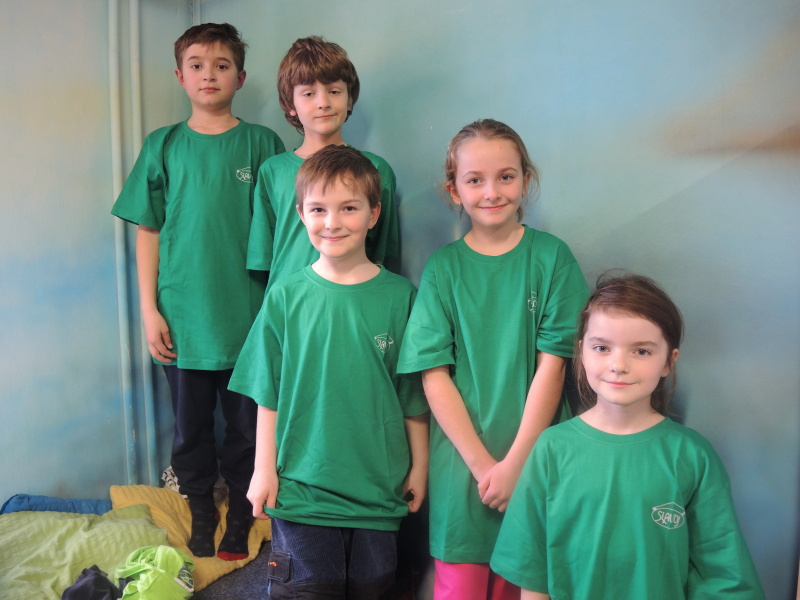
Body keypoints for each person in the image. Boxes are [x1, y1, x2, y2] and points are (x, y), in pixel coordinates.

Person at [111, 23, 285, 561]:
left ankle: (241, 514)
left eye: (221, 65)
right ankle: (201, 509)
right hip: (181, 316)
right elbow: (148, 231)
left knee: (246, 427)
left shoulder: (262, 144)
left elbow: (284, 230)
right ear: (180, 75)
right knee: (190, 429)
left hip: (247, 317)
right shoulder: (162, 144)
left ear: (240, 77)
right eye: (197, 65)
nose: (209, 74)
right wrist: (149, 310)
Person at [397, 119, 589, 600]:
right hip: (462, 467)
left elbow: (553, 366)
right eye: (474, 179)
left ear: (526, 180)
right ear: (454, 191)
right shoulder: (443, 269)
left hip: (535, 462)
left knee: (523, 586)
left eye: (505, 176)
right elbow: (433, 376)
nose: (491, 191)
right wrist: (485, 467)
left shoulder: (552, 259)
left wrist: (517, 462)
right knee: (460, 586)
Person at [229, 145, 429, 599]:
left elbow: (412, 396)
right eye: (319, 209)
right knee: (308, 591)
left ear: (374, 214)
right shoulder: (284, 297)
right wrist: (263, 470)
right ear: (301, 213)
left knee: (372, 589)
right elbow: (267, 392)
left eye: (349, 208)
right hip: (302, 491)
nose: (332, 222)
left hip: (377, 491)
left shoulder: (401, 298)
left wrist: (420, 467)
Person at [491, 273, 766, 599]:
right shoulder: (552, 449)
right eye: (602, 347)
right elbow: (532, 572)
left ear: (669, 361)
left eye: (642, 352)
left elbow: (723, 576)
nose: (618, 365)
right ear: (581, 352)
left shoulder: (692, 456)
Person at [246, 36, 398, 287]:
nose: (323, 103)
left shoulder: (376, 170)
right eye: (308, 93)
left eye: (334, 91)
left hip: (351, 300)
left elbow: (379, 257)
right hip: (289, 303)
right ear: (290, 104)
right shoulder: (272, 171)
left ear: (349, 99)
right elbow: (265, 259)